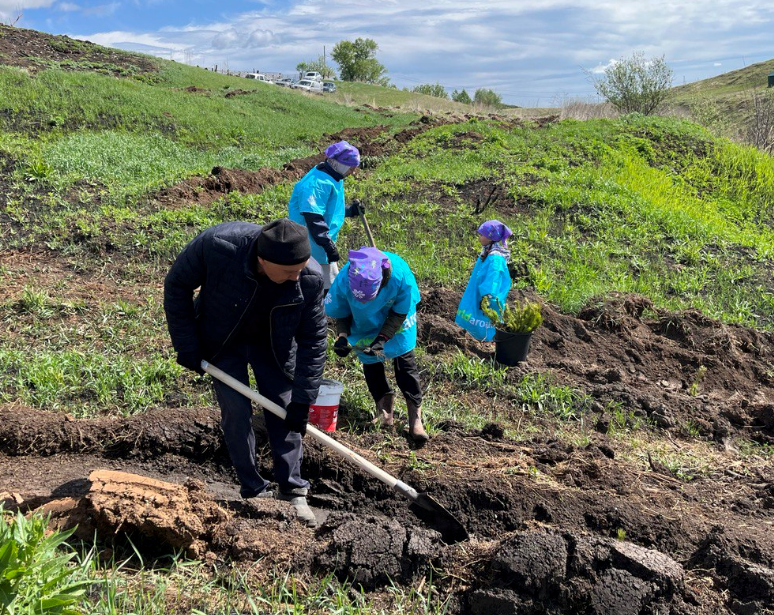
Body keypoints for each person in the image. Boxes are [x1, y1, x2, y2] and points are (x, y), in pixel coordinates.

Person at [163, 218, 327, 527]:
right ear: (263, 261)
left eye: (301, 269)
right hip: (223, 340)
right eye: (290, 272)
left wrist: (304, 400)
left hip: (274, 347)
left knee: (284, 412)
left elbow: (314, 340)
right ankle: (254, 490)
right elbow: (177, 285)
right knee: (237, 413)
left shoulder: (309, 279)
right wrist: (187, 345)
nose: (297, 278)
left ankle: (292, 490)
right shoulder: (219, 246)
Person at [325, 247, 428, 442]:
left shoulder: (400, 276)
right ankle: (384, 413)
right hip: (364, 323)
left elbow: (399, 313)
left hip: (396, 322)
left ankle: (415, 419)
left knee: (405, 365)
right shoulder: (344, 279)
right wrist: (342, 337)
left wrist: (382, 339)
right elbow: (342, 310)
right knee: (371, 364)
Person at [288, 140, 366, 290]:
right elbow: (313, 218)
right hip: (311, 243)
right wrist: (327, 245)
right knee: (318, 285)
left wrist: (350, 210)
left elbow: (328, 207)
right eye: (351, 168)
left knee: (328, 283)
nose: (352, 172)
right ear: (340, 164)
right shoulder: (316, 183)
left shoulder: (334, 176)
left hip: (321, 241)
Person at [455, 220, 513, 341]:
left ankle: (482, 337)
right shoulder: (487, 251)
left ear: (491, 238)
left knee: (482, 318)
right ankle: (468, 331)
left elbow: (493, 280)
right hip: (476, 291)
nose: (479, 238)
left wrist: (488, 297)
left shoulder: (495, 258)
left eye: (482, 235)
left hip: (484, 296)